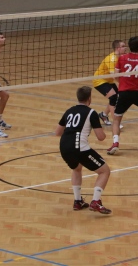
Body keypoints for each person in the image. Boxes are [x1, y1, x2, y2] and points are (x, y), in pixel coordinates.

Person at [56, 86, 112, 214]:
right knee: (104, 171)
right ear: (89, 98)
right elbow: (101, 137)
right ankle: (96, 201)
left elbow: (58, 132)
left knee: (77, 168)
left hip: (64, 147)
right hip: (79, 147)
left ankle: (78, 201)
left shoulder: (69, 111)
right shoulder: (91, 113)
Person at [107, 36, 138, 154]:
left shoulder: (122, 58)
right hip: (137, 93)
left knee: (116, 119)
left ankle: (115, 143)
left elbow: (116, 76)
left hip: (123, 93)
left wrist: (123, 84)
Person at [92, 40, 128, 126]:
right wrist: (124, 84)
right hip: (99, 80)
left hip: (108, 80)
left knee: (117, 98)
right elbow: (115, 76)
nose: (125, 48)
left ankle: (103, 115)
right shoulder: (112, 59)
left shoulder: (122, 57)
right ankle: (116, 122)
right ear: (117, 48)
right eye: (123, 46)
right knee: (113, 97)